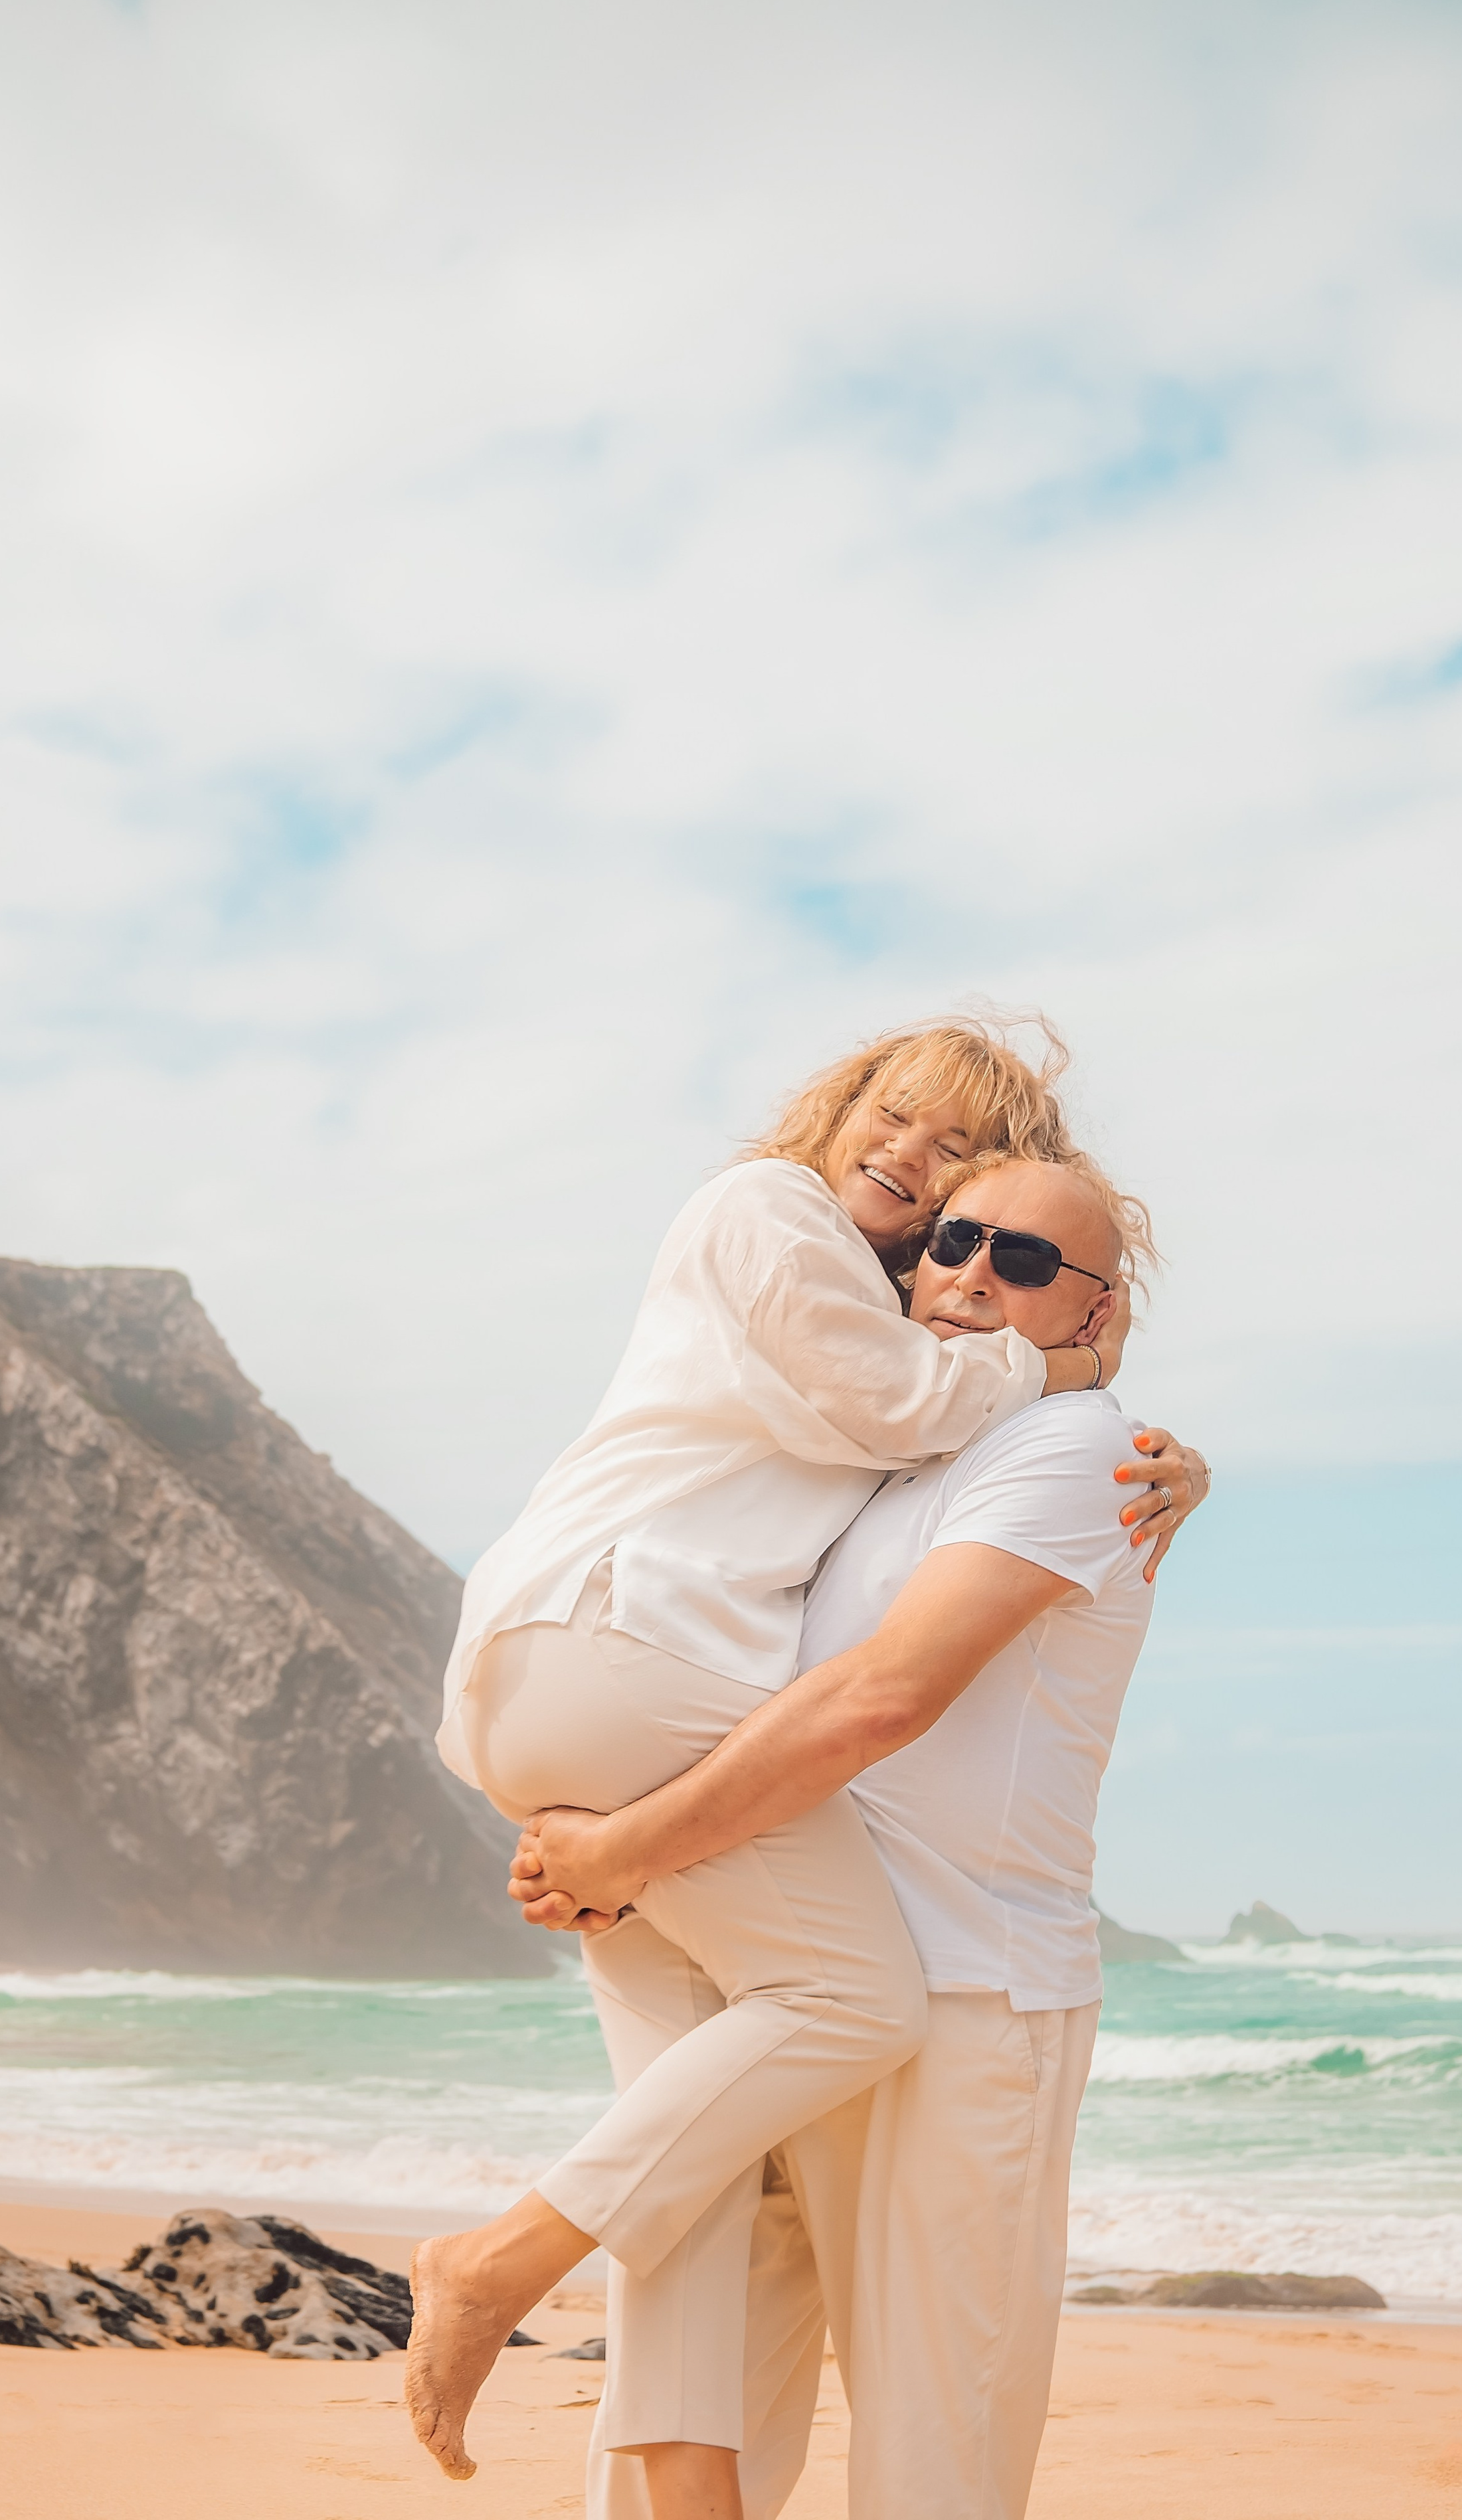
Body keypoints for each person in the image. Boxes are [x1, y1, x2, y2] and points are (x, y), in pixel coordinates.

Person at [405, 1017, 1205, 2498]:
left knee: (926, 2454)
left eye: (1023, 1260)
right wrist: (622, 1837)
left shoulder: (1056, 1441)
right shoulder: (878, 1408)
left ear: (1097, 1309)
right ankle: (522, 2298)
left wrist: (625, 1850)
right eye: (954, 1239)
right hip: (793, 1923)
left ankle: (510, 2266)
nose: (969, 1268)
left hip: (959, 1996)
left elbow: (871, 1700)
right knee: (686, 2205)